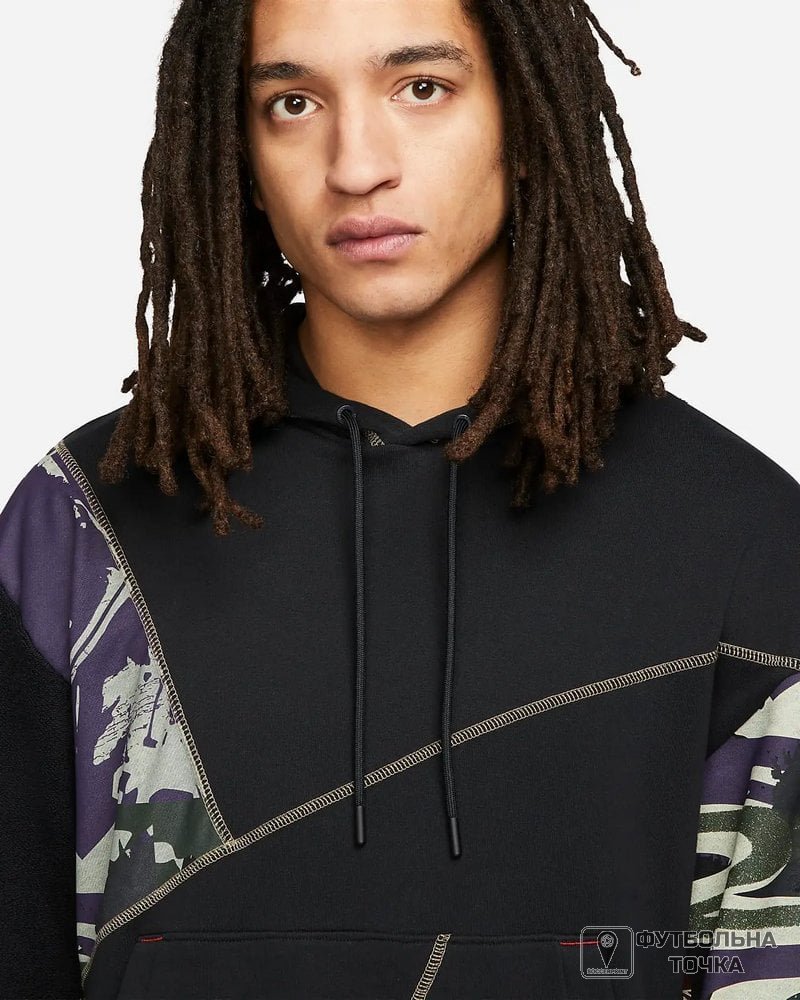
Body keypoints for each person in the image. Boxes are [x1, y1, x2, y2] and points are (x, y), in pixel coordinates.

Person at [1, 0, 798, 997]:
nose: (356, 165)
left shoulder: (742, 541)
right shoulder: (83, 527)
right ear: (236, 151)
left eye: (421, 88)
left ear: (526, 116)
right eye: (292, 103)